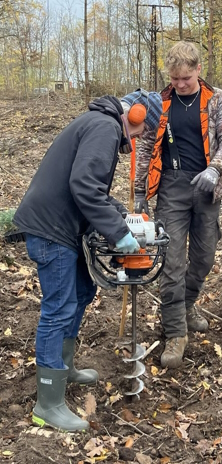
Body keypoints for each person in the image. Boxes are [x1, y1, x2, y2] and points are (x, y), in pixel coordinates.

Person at [13, 90, 162, 431]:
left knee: (82, 292)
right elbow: (83, 185)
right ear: (136, 115)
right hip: (53, 229)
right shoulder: (106, 128)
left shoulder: (99, 123)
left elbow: (91, 188)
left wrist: (121, 214)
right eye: (142, 131)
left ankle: (62, 367)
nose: (138, 139)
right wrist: (119, 235)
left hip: (61, 225)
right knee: (59, 307)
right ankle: (48, 403)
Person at [133, 41, 222, 369]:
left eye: (186, 78)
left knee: (204, 258)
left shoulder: (218, 100)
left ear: (198, 70)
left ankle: (187, 304)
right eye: (175, 78)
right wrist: (140, 193)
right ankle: (175, 332)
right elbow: (146, 145)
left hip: (208, 188)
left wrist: (214, 167)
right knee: (172, 263)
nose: (180, 84)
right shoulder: (160, 103)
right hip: (172, 188)